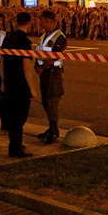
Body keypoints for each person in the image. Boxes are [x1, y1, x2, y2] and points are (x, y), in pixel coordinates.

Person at [0, 12, 41, 158]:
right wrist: (33, 89)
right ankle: (15, 148)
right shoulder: (25, 41)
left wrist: (3, 82)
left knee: (13, 116)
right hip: (20, 84)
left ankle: (15, 144)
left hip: (9, 82)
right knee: (20, 118)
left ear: (16, 22)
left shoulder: (8, 38)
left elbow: (2, 61)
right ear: (30, 22)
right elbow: (27, 68)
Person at [35, 10, 68, 144]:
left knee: (52, 101)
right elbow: (39, 52)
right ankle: (51, 128)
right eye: (41, 21)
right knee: (45, 101)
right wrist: (37, 66)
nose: (42, 24)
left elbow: (55, 55)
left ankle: (54, 131)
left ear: (52, 22)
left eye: (44, 21)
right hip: (44, 73)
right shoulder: (44, 36)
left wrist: (42, 67)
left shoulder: (60, 37)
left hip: (53, 73)